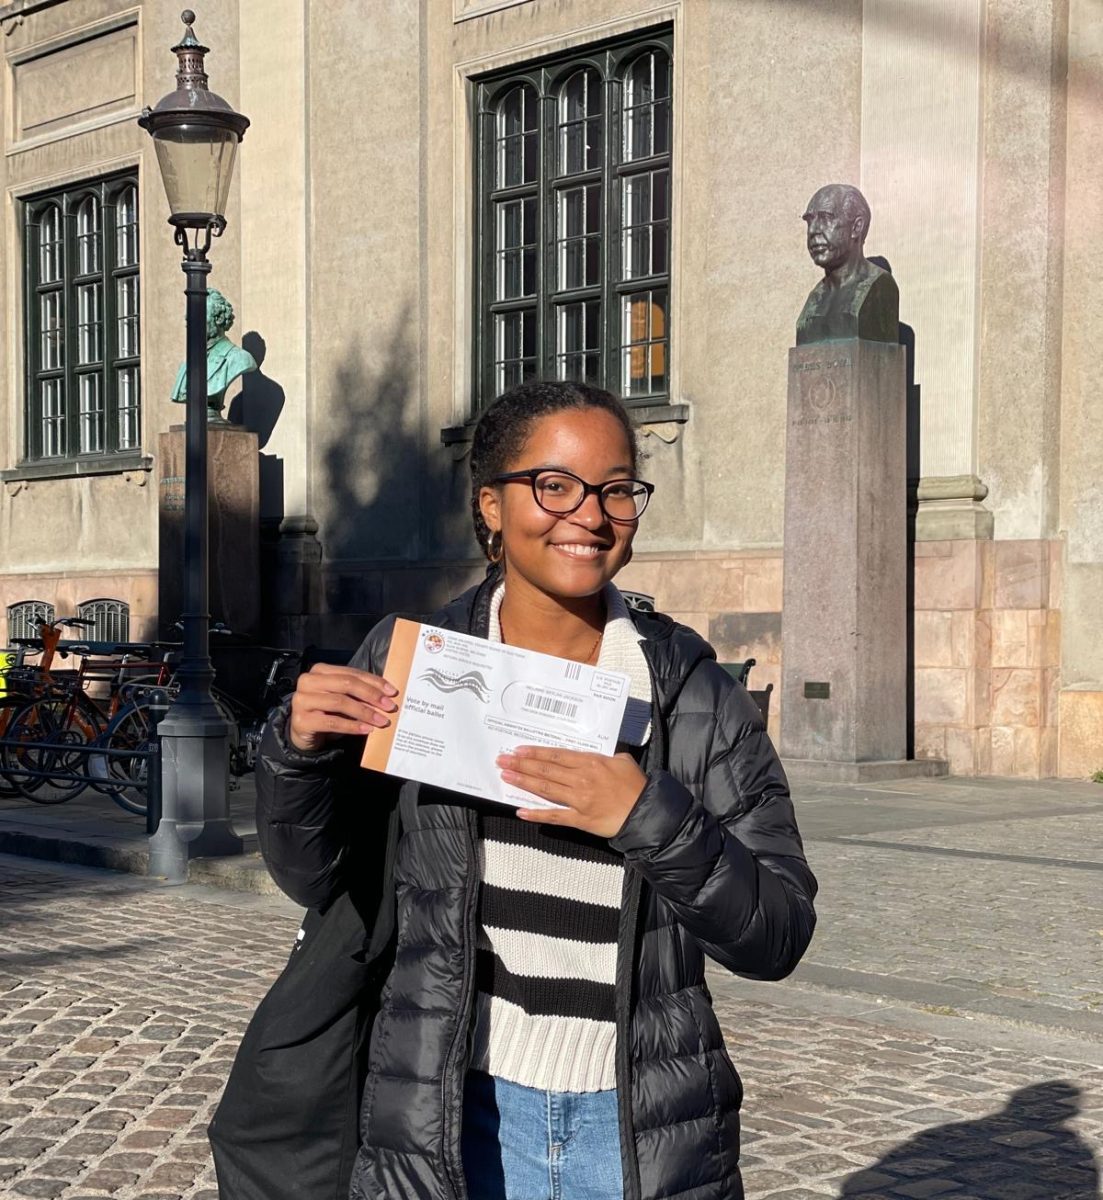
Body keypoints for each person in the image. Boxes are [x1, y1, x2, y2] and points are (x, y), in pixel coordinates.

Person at [252, 379, 818, 1200]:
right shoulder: (415, 664)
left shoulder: (688, 691)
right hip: (450, 1117)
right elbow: (316, 879)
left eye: (616, 489)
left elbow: (777, 933)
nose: (588, 515)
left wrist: (645, 816)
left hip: (635, 1130)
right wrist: (297, 752)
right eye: (553, 485)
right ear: (490, 505)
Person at [796, 182, 898, 345]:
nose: (813, 230)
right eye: (809, 221)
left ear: (856, 227)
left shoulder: (879, 287)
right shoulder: (815, 299)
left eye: (826, 218)